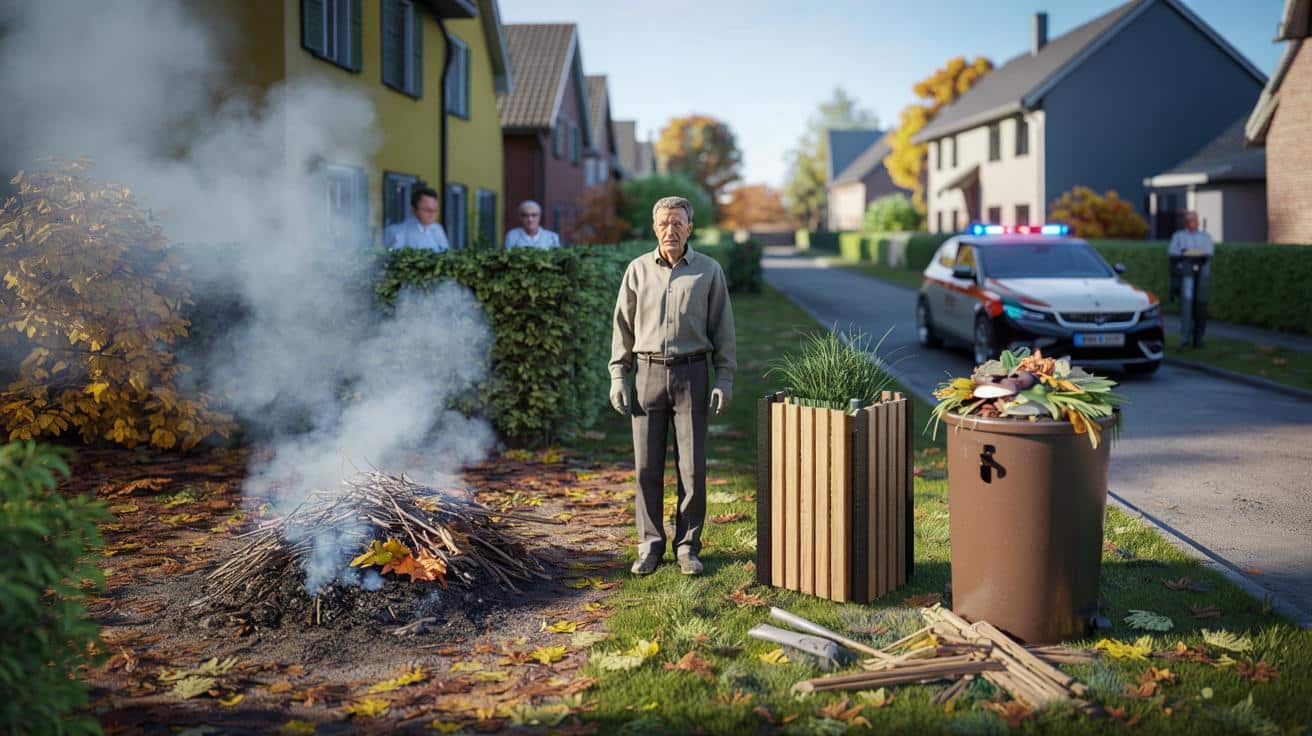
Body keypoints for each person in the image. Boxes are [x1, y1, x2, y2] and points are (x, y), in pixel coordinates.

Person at [609, 196, 736, 576]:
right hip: (647, 375)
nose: (671, 230)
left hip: (692, 375)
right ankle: (649, 545)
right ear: (654, 227)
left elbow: (724, 330)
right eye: (664, 223)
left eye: (678, 223)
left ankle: (687, 547)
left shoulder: (709, 271)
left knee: (692, 469)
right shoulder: (636, 271)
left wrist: (724, 378)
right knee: (647, 468)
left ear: (690, 228)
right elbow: (622, 328)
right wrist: (619, 375)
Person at [1167, 210, 1214, 346]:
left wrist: (1187, 252)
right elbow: (1173, 252)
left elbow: (1208, 253)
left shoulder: (1205, 237)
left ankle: (1199, 337)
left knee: (1201, 306)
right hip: (1186, 274)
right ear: (1185, 222)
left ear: (1198, 222)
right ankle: (1185, 336)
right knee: (1186, 304)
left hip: (1202, 275)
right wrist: (1189, 254)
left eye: (1193, 220)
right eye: (1188, 220)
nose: (1191, 223)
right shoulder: (1179, 236)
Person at [383, 186, 451, 251]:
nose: (432, 214)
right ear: (413, 209)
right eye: (427, 210)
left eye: (435, 210)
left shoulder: (438, 229)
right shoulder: (397, 232)